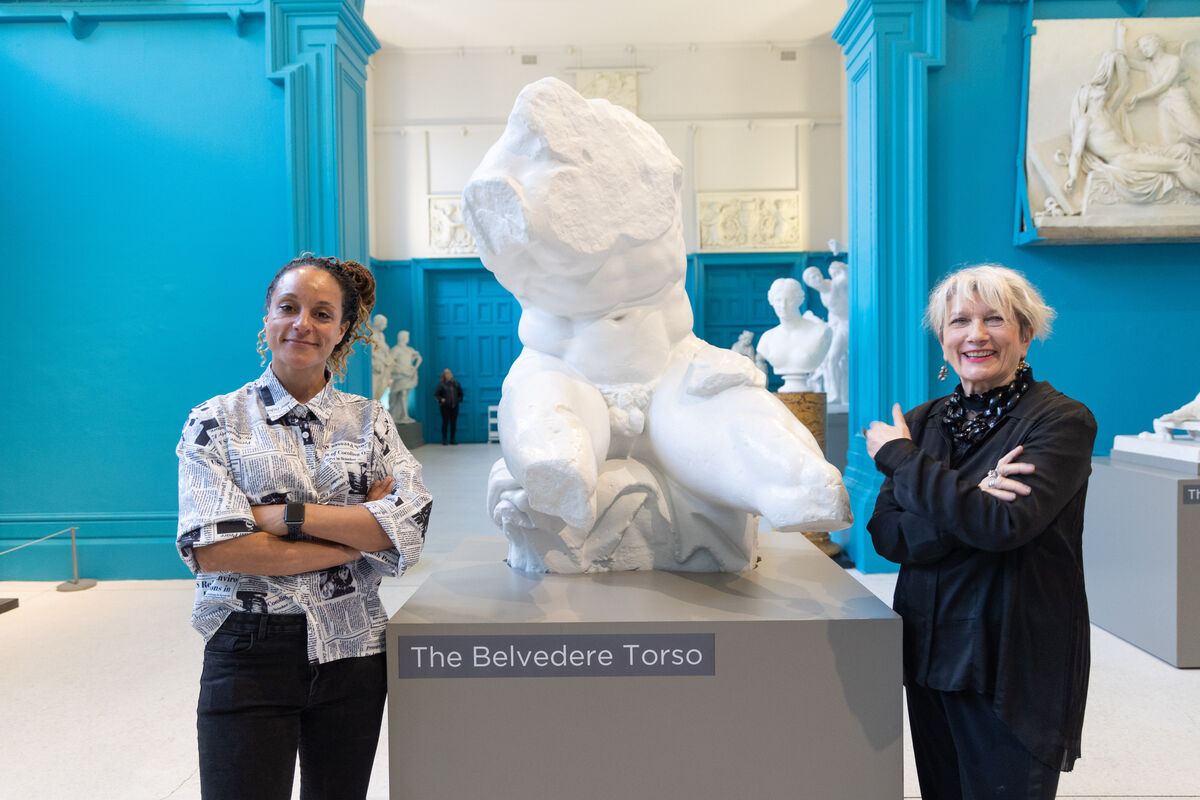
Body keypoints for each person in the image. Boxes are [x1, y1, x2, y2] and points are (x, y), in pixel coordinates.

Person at [176, 253, 433, 800]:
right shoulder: (215, 421)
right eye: (289, 308)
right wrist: (357, 537)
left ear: (342, 330)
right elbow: (218, 551)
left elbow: (408, 527)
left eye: (322, 313)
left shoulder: (371, 421)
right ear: (267, 318)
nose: (303, 324)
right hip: (247, 650)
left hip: (354, 653)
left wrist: (285, 518)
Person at [864, 264, 1095, 800]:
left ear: (1026, 333)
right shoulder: (922, 422)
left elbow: (1003, 525)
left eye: (996, 319)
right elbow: (888, 535)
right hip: (928, 648)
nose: (976, 335)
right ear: (942, 337)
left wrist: (903, 462)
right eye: (960, 321)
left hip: (1009, 657)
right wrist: (972, 497)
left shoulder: (1060, 422)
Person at [756, 277, 831, 393]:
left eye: (789, 300)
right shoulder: (767, 338)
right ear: (771, 301)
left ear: (799, 300)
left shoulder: (819, 332)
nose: (783, 306)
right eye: (778, 300)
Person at [388, 330, 422, 425]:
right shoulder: (396, 349)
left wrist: (414, 368)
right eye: (406, 337)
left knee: (405, 394)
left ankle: (404, 415)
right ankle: (402, 415)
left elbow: (419, 357)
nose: (407, 339)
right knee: (400, 394)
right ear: (403, 338)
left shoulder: (409, 349)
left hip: (408, 375)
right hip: (400, 375)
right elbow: (390, 361)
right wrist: (399, 368)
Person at [434, 367, 463, 445]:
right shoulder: (441, 385)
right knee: (445, 422)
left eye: (450, 373)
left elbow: (460, 394)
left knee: (453, 423)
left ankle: (452, 439)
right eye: (447, 373)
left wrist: (458, 400)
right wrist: (441, 400)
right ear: (444, 375)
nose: (449, 374)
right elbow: (436, 395)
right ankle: (444, 439)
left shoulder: (456, 384)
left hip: (455, 406)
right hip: (445, 407)